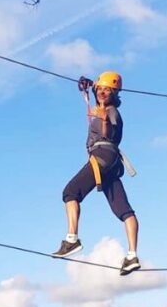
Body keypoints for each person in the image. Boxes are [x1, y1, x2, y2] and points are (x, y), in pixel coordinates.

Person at [51, 71, 140, 276]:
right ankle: (132, 255)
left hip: (102, 155)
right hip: (111, 162)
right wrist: (91, 85)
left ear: (115, 93)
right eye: (100, 89)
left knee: (70, 193)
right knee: (124, 210)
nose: (101, 92)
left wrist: (103, 120)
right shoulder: (104, 103)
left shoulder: (111, 112)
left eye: (106, 90)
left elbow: (107, 133)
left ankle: (72, 240)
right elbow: (99, 93)